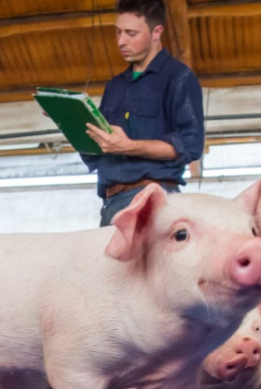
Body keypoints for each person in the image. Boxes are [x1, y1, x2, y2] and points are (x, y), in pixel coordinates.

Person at [80, 0, 205, 226]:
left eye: (131, 33)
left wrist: (129, 146)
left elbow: (190, 145)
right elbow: (95, 151)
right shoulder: (115, 86)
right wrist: (70, 120)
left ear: (157, 32)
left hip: (152, 201)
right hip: (110, 203)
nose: (121, 41)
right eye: (118, 32)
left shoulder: (179, 78)